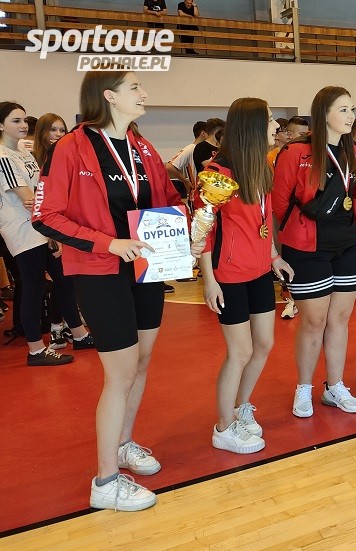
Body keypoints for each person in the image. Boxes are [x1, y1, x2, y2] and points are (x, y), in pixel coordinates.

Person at [32, 71, 183, 511]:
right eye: (135, 87)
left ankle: (123, 442)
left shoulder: (142, 146)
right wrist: (108, 243)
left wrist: (185, 225)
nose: (144, 93)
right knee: (120, 374)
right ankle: (105, 481)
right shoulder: (71, 147)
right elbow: (46, 217)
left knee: (141, 363)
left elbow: (167, 199)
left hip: (146, 268)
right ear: (109, 96)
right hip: (100, 271)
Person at [190, 98, 290, 454]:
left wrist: (273, 255)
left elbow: (264, 218)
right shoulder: (217, 173)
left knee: (264, 343)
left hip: (260, 270)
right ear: (251, 127)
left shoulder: (260, 166)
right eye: (270, 119)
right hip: (228, 275)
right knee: (240, 351)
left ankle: (241, 406)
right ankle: (223, 426)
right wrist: (209, 280)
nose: (276, 126)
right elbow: (203, 232)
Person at [273, 86, 356, 416]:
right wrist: (280, 248)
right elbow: (279, 204)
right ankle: (303, 387)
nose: (351, 116)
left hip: (348, 246)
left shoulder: (352, 151)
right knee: (313, 322)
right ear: (323, 113)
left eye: (352, 109)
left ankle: (334, 386)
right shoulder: (296, 152)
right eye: (343, 109)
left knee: (339, 319)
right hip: (307, 249)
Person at [0, 102, 91, 366]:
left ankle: (79, 334)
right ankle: (36, 350)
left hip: (41, 226)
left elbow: (42, 193)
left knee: (63, 279)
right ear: (1, 125)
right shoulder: (4, 156)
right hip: (22, 229)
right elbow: (29, 199)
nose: (23, 125)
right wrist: (49, 213)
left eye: (23, 120)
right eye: (15, 121)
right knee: (34, 286)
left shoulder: (24, 153)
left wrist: (52, 228)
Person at [166, 120, 206, 198]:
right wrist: (185, 181)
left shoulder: (206, 150)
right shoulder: (190, 148)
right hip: (196, 194)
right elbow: (169, 166)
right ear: (203, 133)